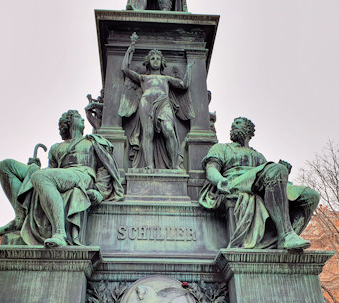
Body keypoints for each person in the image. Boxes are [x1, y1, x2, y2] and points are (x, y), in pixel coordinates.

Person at [0, 110, 124, 247]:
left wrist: (100, 191)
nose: (83, 120)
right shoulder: (56, 148)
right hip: (60, 176)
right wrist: (33, 167)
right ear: (70, 122)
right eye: (79, 117)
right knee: (6, 166)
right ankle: (19, 217)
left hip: (82, 175)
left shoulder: (92, 142)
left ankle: (60, 233)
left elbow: (104, 167)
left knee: (40, 176)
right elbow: (51, 171)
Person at [199, 117, 320, 251]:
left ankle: (279, 238)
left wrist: (283, 172)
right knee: (276, 169)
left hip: (257, 185)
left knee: (310, 196)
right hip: (234, 182)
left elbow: (271, 179)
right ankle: (285, 235)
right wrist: (219, 180)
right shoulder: (221, 148)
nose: (233, 126)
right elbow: (211, 168)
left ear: (249, 130)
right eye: (233, 124)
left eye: (238, 123)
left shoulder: (259, 156)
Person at [119, 38, 195, 169]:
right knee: (148, 134)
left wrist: (189, 68)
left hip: (163, 103)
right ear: (148, 62)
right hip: (146, 103)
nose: (155, 60)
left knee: (169, 130)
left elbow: (184, 84)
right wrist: (130, 51)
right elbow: (125, 69)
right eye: (152, 58)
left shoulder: (166, 78)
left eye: (157, 58)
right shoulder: (143, 78)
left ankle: (174, 165)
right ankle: (149, 165)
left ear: (162, 62)